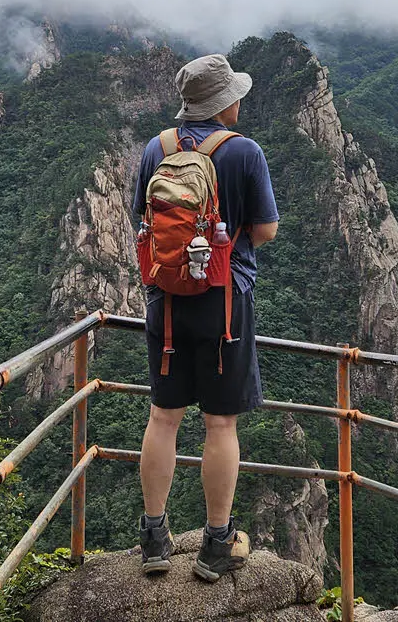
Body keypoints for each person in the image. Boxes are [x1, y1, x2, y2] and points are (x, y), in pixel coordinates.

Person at [131, 53, 280, 581]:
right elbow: (264, 231)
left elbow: (141, 225)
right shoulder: (245, 153)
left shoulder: (158, 148)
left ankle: (153, 536)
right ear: (223, 103)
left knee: (162, 418)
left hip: (165, 303)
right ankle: (217, 542)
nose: (240, 101)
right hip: (224, 305)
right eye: (235, 94)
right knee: (219, 423)